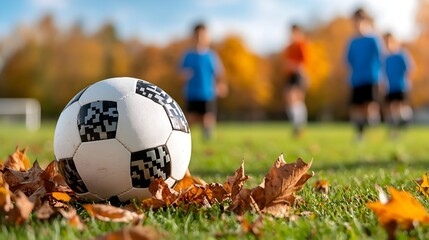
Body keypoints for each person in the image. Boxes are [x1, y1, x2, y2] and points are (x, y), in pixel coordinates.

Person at [180, 23, 226, 140]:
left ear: (207, 37)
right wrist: (183, 75)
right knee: (191, 118)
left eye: (202, 35)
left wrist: (221, 85)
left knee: (208, 118)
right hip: (192, 92)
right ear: (193, 37)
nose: (200, 38)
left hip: (208, 92)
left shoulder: (211, 56)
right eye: (197, 35)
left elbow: (219, 73)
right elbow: (180, 72)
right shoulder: (188, 55)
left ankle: (207, 138)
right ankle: (183, 138)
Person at [345, 9, 383, 140]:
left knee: (369, 105)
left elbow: (380, 57)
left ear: (366, 21)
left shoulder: (373, 39)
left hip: (371, 77)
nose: (357, 24)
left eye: (359, 21)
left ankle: (372, 121)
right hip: (356, 78)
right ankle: (360, 133)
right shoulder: (353, 41)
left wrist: (381, 77)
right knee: (356, 107)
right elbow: (348, 59)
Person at [382, 32, 414, 138]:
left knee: (399, 108)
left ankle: (403, 123)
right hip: (389, 87)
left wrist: (406, 82)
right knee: (390, 109)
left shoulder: (401, 55)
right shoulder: (385, 58)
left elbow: (409, 69)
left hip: (401, 86)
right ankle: (393, 131)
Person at [282, 24, 308, 138]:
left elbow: (305, 62)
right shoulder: (289, 47)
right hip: (290, 75)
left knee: (296, 98)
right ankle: (296, 124)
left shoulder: (302, 45)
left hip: (299, 74)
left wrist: (296, 67)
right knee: (289, 98)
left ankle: (300, 125)